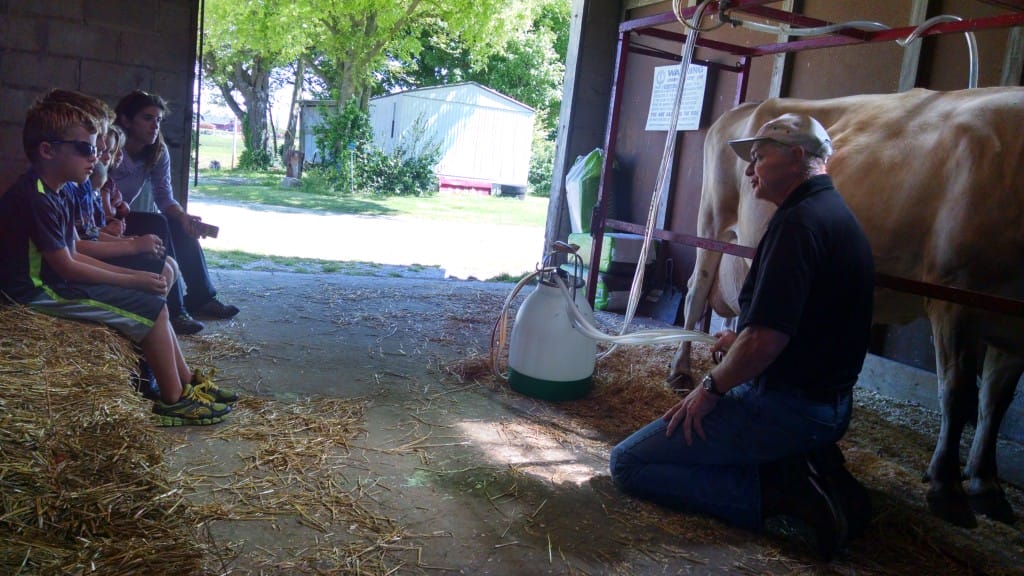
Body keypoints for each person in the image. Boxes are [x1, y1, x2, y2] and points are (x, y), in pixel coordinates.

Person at [609, 114, 875, 560]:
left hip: (789, 407)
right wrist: (742, 338)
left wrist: (710, 389)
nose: (749, 171)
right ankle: (809, 469)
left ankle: (775, 496)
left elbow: (768, 340)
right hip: (829, 404)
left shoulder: (798, 225)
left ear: (796, 157)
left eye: (758, 158)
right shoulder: (831, 213)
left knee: (630, 464)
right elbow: (803, 323)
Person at [0, 96, 238, 426]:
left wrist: (132, 275)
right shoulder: (36, 197)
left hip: (56, 280)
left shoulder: (61, 190)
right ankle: (173, 400)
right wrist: (132, 279)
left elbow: (74, 250)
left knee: (154, 301)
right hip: (36, 292)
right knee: (151, 308)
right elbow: (67, 265)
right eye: (86, 149)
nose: (96, 157)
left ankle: (186, 382)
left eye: (97, 149)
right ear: (47, 150)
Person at [111, 90, 239, 325]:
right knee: (156, 223)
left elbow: (165, 198)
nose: (154, 126)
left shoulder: (157, 151)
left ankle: (201, 297)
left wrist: (183, 216)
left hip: (121, 215)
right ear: (126, 120)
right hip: (102, 220)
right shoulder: (111, 149)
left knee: (179, 224)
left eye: (158, 120)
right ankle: (174, 308)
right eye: (147, 118)